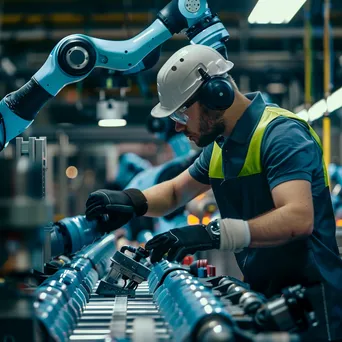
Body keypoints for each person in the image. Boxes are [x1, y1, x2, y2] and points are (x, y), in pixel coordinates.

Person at [85, 44, 342, 341]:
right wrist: (130, 201)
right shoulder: (220, 148)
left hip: (312, 300)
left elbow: (297, 219)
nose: (179, 128)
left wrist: (211, 234)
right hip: (266, 292)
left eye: (182, 114)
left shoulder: (281, 135)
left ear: (215, 95)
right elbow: (173, 193)